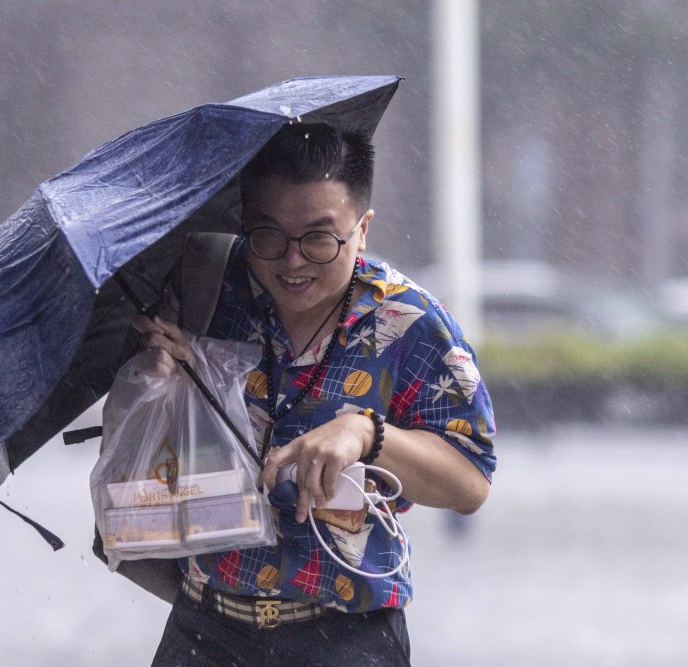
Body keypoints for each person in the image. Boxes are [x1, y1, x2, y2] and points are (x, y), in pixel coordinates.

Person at [132, 122, 496, 666]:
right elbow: (166, 464)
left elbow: (470, 483)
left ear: (363, 228)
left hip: (346, 636)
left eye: (320, 238)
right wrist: (161, 381)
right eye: (269, 236)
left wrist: (366, 434)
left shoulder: (410, 324)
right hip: (204, 629)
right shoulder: (210, 291)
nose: (293, 260)